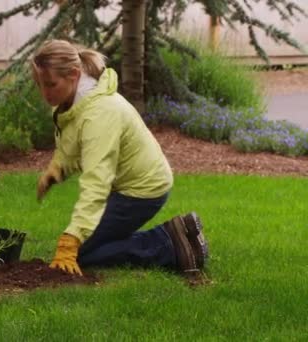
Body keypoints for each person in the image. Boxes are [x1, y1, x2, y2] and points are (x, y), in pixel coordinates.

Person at [31, 40, 209, 276]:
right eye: (40, 85)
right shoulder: (71, 102)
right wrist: (59, 168)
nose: (45, 93)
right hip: (124, 185)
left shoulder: (99, 114)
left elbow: (96, 182)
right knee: (93, 244)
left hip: (143, 190)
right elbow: (72, 143)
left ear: (74, 74)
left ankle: (171, 245)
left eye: (51, 84)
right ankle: (179, 234)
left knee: (83, 253)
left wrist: (72, 239)